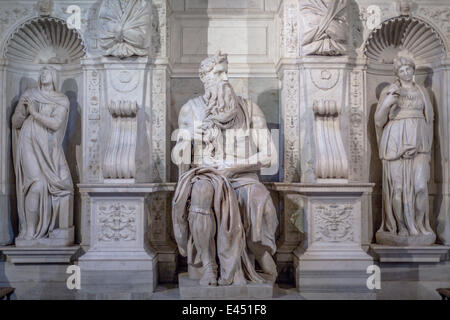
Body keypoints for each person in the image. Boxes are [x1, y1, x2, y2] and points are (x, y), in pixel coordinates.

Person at [172, 52, 278, 286]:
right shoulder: (190, 110)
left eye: (226, 71)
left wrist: (235, 166)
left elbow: (270, 154)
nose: (225, 77)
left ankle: (260, 255)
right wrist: (188, 138)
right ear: (204, 77)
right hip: (206, 175)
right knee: (201, 192)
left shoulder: (250, 109)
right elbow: (178, 156)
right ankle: (209, 266)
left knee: (259, 197)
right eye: (219, 72)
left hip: (243, 176)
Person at [374, 53, 435, 244]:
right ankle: (400, 226)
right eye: (402, 70)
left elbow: (430, 119)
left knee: (420, 186)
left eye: (408, 68)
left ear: (413, 70)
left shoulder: (423, 91)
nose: (406, 72)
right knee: (398, 188)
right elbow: (378, 120)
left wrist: (427, 144)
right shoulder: (391, 90)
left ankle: (419, 225)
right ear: (397, 73)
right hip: (395, 141)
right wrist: (388, 102)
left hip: (419, 141)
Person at [12, 66, 73, 243]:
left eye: (48, 71)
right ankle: (29, 230)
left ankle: (42, 230)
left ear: (55, 77)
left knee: (51, 185)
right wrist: (23, 110)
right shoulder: (30, 94)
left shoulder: (61, 99)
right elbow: (15, 123)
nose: (43, 73)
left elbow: (55, 124)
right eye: (42, 71)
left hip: (48, 147)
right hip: (28, 141)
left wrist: (34, 113)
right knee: (36, 184)